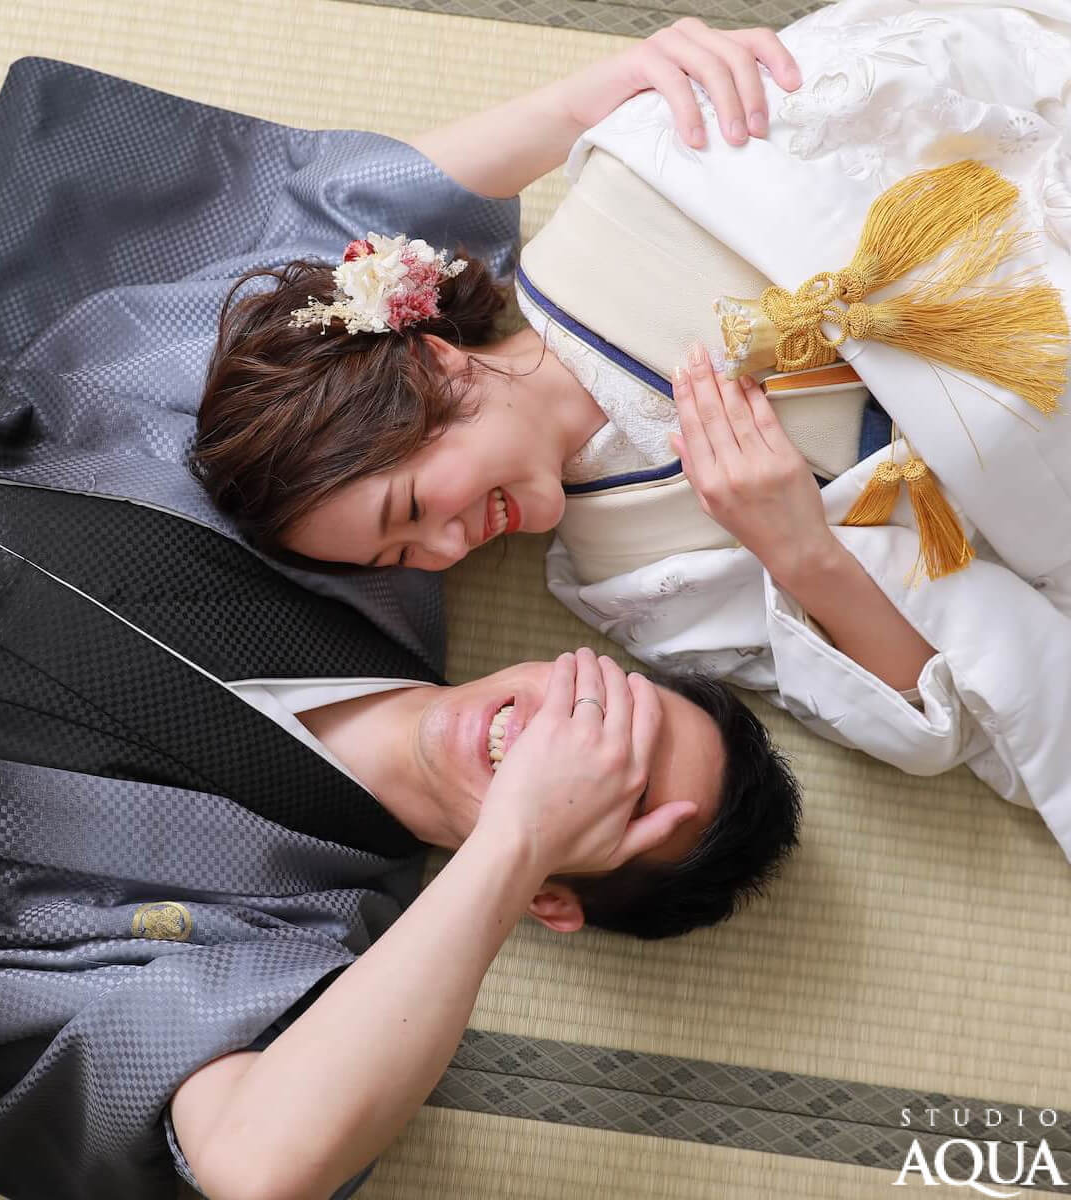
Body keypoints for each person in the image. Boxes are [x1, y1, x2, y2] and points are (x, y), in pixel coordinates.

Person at [0, 32, 803, 1200]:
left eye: (614, 788)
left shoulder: (294, 940)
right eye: (617, 714)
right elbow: (334, 233)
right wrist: (592, 94)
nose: (571, 743)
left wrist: (514, 838)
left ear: (550, 899)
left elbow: (256, 1164)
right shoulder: (348, 552)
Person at [193, 0, 1071, 860]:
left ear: (433, 367)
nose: (449, 548)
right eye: (404, 558)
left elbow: (983, 78)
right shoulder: (630, 581)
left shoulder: (643, 180)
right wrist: (799, 550)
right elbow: (936, 719)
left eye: (413, 508)